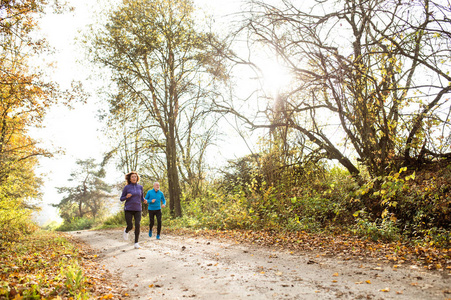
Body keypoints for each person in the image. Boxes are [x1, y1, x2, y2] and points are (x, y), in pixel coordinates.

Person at [120, 171, 147, 249]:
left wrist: (144, 200)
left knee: (137, 225)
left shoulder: (140, 187)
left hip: (138, 209)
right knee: (130, 226)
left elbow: (142, 197)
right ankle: (126, 231)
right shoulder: (127, 187)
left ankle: (136, 243)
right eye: (132, 177)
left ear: (137, 178)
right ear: (130, 179)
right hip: (128, 209)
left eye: (135, 176)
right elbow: (121, 199)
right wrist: (126, 197)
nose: (134, 178)